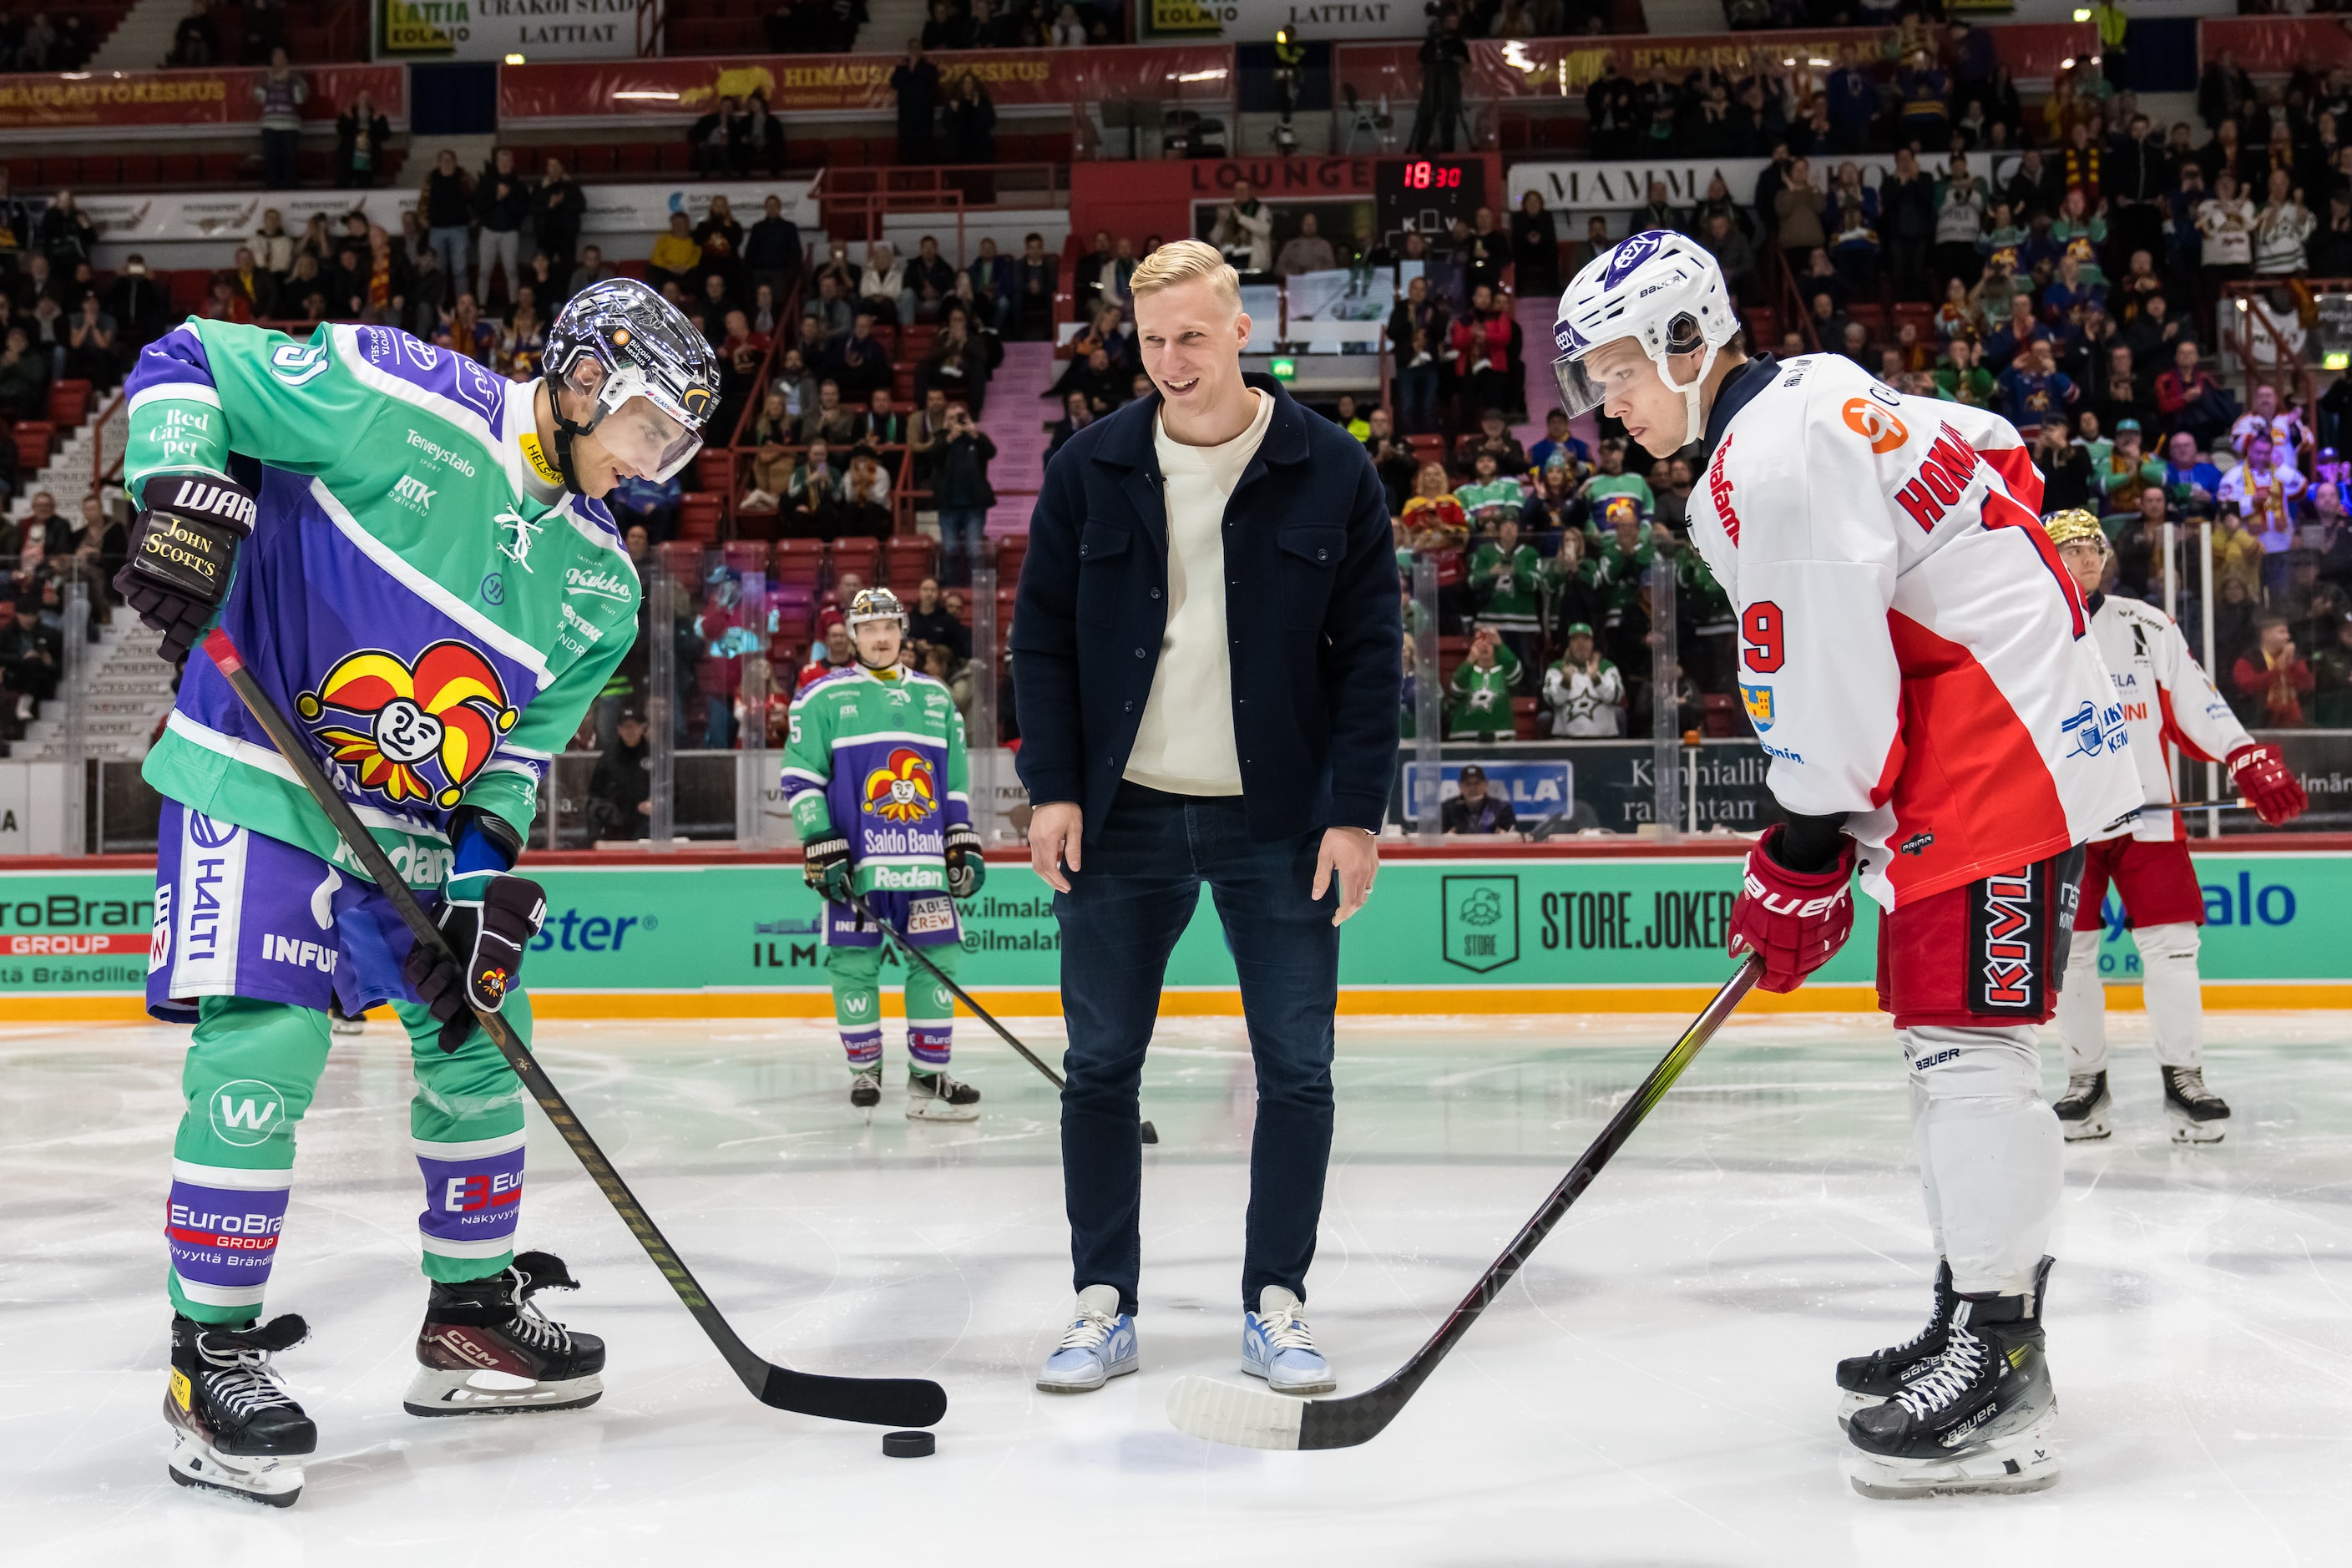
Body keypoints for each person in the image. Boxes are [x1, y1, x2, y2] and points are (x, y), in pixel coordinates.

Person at [1552, 230, 2138, 1497]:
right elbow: (1994, 446)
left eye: (1614, 368)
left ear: (1681, 338)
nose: (1605, 401)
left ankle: (2002, 1357)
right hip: (1988, 734)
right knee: (1948, 1044)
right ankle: (1967, 1306)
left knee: (1969, 1051)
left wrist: (1803, 842)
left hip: (1996, 751)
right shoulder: (1816, 388)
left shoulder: (1770, 457)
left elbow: (1822, 680)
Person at [113, 277, 716, 1506]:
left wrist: (486, 885)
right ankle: (205, 1358)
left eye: (676, 446)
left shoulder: (602, 584)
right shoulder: (399, 395)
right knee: (265, 1049)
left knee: (483, 1040)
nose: (657, 467)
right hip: (257, 777)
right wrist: (173, 494)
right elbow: (189, 360)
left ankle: (470, 1316)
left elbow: (511, 754)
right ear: (588, 378)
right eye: (650, 431)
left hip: (415, 835)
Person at [1013, 240, 1395, 1399]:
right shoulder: (1091, 467)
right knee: (1098, 1067)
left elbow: (1372, 652)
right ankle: (1102, 1303)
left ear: (1241, 328)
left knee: (1296, 1067)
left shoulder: (1329, 467)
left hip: (1278, 820)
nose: (1170, 360)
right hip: (1121, 816)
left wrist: (1355, 811)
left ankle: (1275, 1301)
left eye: (1190, 334)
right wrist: (1055, 789)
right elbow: (1040, 638)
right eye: (1150, 339)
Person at [2038, 510, 2304, 1146]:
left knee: (2173, 949)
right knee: (2070, 957)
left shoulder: (2144, 623)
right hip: (2067, 823)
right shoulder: (2023, 630)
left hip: (2147, 818)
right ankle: (2085, 1083)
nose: (2079, 562)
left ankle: (2184, 1079)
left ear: (2105, 558)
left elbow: (2196, 700)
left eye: (2088, 550)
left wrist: (2242, 753)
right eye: (2065, 551)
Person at [782, 585, 984, 1118]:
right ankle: (865, 1071)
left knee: (939, 963)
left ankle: (928, 1076)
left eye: (889, 627)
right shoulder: (822, 696)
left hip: (922, 862)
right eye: (869, 629)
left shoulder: (937, 698)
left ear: (902, 632)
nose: (880, 637)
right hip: (857, 861)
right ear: (852, 636)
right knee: (852, 965)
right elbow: (799, 777)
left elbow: (954, 782)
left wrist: (961, 838)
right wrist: (819, 840)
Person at [932, 401, 994, 588]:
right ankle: (951, 589)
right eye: (951, 418)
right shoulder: (941, 438)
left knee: (974, 551)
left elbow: (991, 452)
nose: (955, 422)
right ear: (945, 421)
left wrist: (974, 434)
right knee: (950, 550)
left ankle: (976, 589)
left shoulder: (976, 438)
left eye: (960, 417)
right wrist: (949, 438)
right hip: (948, 505)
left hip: (974, 505)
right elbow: (932, 458)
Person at [2233, 613, 2314, 727]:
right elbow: (2247, 686)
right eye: (2282, 632)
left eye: (2287, 632)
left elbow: (2308, 686)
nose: (2288, 637)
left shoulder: (2295, 658)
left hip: (2293, 722)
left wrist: (2292, 664)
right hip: (2260, 722)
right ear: (2266, 634)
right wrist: (2277, 670)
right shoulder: (2248, 659)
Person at [586, 707, 651, 840]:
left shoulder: (655, 756)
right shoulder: (608, 758)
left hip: (647, 829)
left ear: (642, 727)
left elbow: (671, 790)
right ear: (618, 729)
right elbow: (595, 795)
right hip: (614, 830)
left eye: (633, 726)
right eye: (625, 726)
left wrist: (657, 803)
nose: (630, 731)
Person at [252, 48, 307, 189]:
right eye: (276, 56)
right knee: (271, 160)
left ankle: (291, 191)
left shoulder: (296, 77)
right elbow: (259, 98)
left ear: (287, 59)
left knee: (289, 160)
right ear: (272, 60)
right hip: (269, 125)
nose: (279, 59)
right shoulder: (265, 77)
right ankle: (272, 192)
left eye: (282, 56)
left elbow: (300, 99)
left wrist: (294, 82)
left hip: (289, 126)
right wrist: (263, 83)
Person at [1439, 763, 1515, 834]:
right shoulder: (1447, 809)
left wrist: (1505, 835)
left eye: (1477, 783)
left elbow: (1512, 834)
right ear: (1461, 786)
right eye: (1468, 784)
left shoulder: (1501, 808)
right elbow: (1439, 836)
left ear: (1485, 784)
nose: (1473, 788)